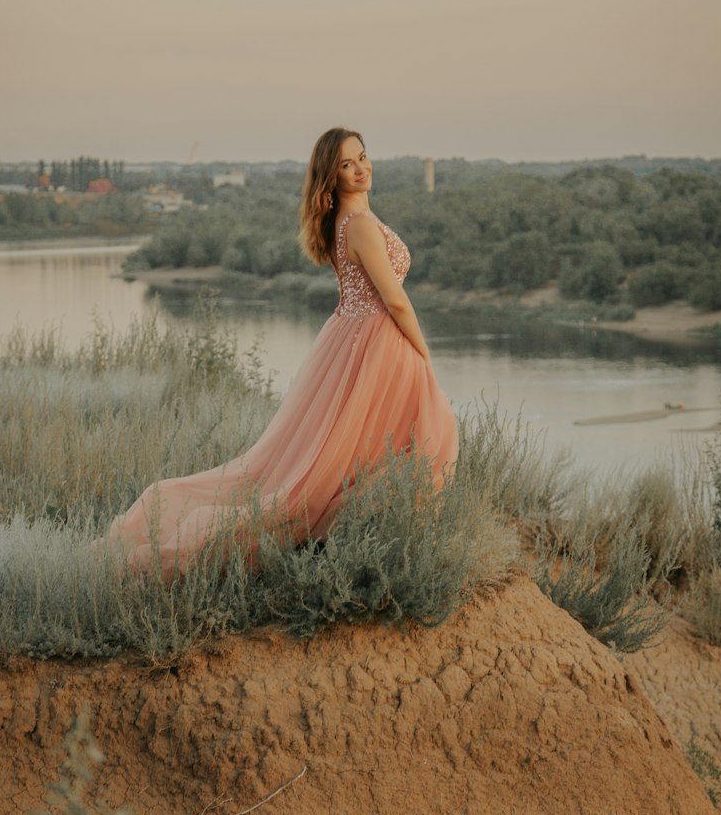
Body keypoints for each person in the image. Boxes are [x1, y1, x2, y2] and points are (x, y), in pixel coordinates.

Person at [99, 126, 459, 579]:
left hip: (353, 338)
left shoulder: (343, 222)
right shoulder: (360, 225)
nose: (361, 169)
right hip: (377, 341)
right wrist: (424, 354)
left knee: (364, 447)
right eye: (347, 165)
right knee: (425, 434)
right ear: (332, 177)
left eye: (363, 158)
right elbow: (396, 300)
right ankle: (375, 546)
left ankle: (369, 540)